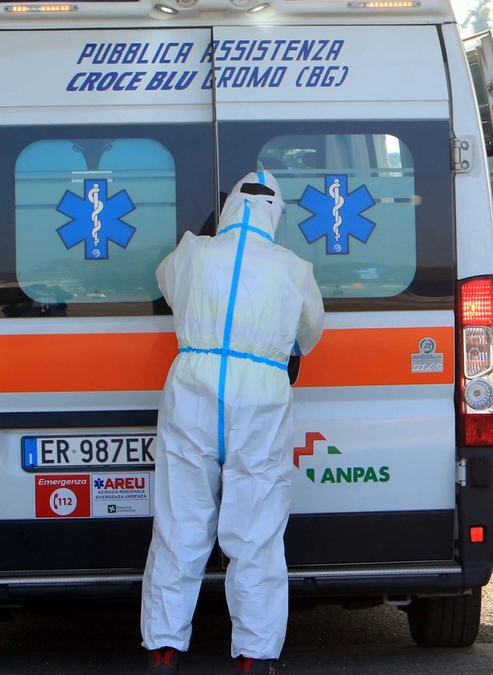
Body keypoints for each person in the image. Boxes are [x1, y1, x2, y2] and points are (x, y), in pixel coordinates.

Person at [142, 171, 325, 675]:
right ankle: (254, 657)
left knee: (180, 524)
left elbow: (166, 282)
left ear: (228, 208)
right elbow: (309, 334)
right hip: (262, 396)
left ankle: (163, 649)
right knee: (257, 532)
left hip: (192, 389)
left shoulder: (193, 253)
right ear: (274, 214)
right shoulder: (294, 268)